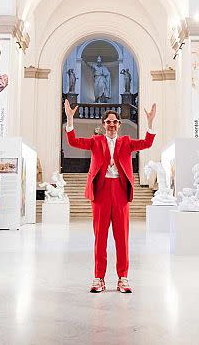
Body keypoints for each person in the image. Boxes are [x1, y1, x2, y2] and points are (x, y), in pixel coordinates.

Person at [64, 98, 157, 294]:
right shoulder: (96, 141)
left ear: (119, 125)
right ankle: (99, 278)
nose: (112, 125)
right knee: (100, 238)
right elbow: (73, 141)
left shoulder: (126, 142)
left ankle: (123, 278)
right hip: (101, 192)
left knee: (122, 238)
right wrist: (70, 120)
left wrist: (149, 123)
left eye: (115, 122)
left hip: (121, 192)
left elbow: (147, 143)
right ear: (103, 125)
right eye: (108, 122)